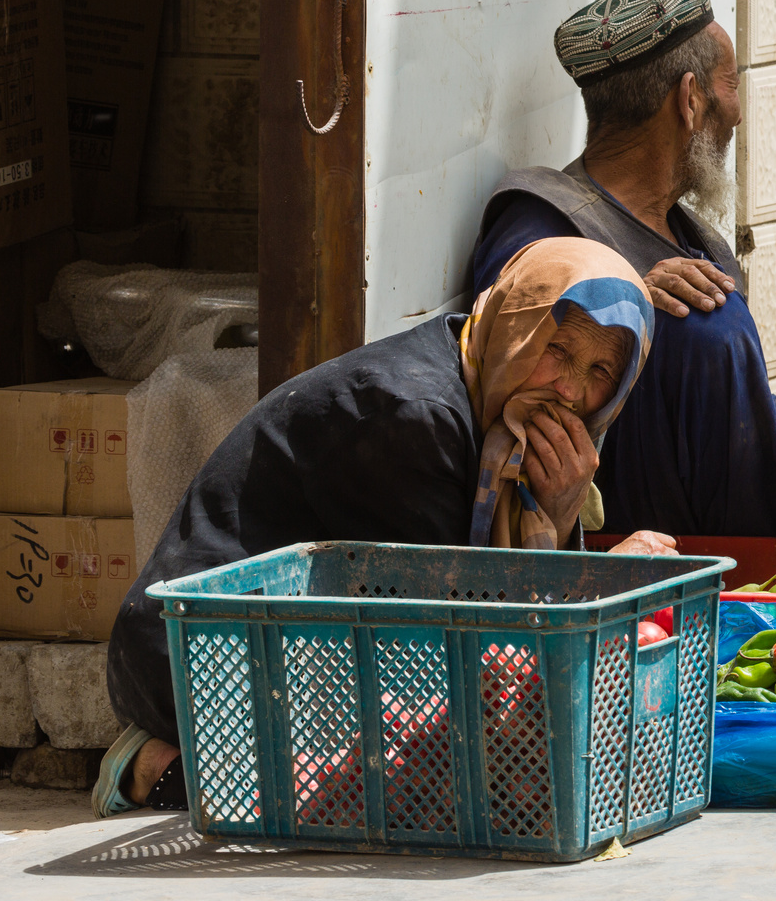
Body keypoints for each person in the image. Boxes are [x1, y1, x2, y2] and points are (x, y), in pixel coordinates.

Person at [95, 237, 669, 817]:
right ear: (517, 325)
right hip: (199, 657)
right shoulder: (419, 415)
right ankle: (156, 768)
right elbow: (459, 633)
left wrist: (562, 508)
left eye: (600, 371)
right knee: (395, 784)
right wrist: (602, 579)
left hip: (306, 644)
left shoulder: (493, 401)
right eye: (560, 350)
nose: (571, 391)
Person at [471, 0, 776, 546]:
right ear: (690, 100)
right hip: (652, 546)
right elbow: (507, 346)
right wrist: (627, 291)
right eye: (731, 86)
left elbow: (752, 413)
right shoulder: (541, 221)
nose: (737, 111)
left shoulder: (693, 242)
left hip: (756, 514)